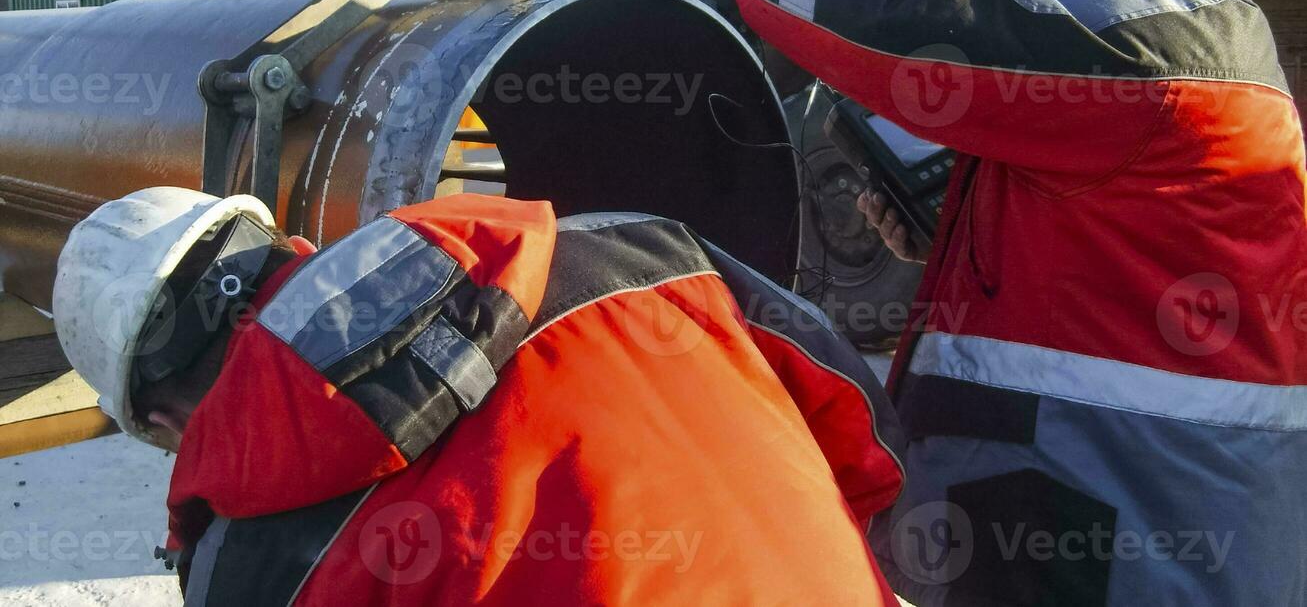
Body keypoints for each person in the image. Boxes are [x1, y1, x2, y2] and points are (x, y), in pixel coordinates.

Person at [631, 0, 1307, 605]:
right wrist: (941, 244)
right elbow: (1109, 259)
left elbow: (907, 19)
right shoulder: (1183, 45)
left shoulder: (1154, 44)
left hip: (1133, 521)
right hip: (1123, 495)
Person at [52, 187, 907, 605]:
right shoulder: (638, 253)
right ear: (298, 250)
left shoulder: (249, 568)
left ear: (162, 421)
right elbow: (864, 438)